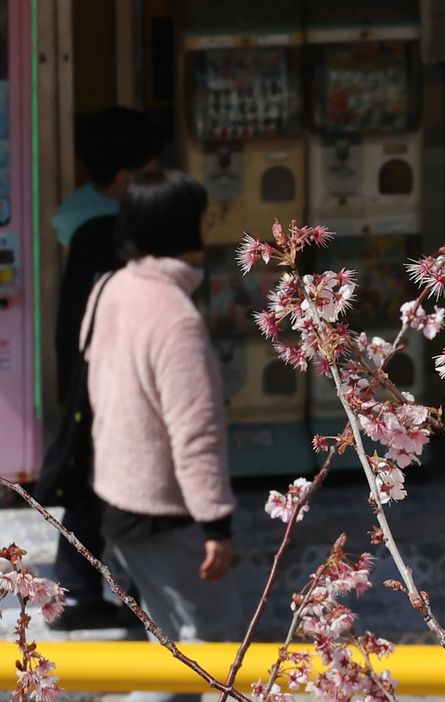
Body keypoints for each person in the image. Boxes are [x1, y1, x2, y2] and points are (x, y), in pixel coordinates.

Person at [84, 171, 240, 702]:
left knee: (168, 640)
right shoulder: (177, 319)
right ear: (182, 228)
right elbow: (195, 433)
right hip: (161, 510)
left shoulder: (111, 286)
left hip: (117, 496)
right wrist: (216, 523)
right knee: (206, 646)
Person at [46, 107, 161, 630]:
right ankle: (141, 595)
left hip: (81, 374)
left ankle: (76, 592)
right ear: (125, 176)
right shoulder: (120, 228)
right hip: (112, 379)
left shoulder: (72, 216)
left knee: (90, 484)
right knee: (128, 485)